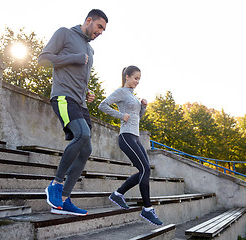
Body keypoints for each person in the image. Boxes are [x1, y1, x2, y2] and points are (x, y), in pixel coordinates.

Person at [38, 9, 108, 216]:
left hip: (80, 103)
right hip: (62, 97)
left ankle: (64, 200)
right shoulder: (64, 34)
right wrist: (74, 57)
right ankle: (55, 185)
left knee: (86, 150)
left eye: (103, 30)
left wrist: (87, 93)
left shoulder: (90, 50)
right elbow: (43, 59)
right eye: (99, 27)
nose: (101, 32)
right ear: (88, 20)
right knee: (82, 134)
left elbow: (78, 76)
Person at [98, 66, 163, 225]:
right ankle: (147, 209)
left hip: (135, 136)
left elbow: (136, 118)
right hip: (126, 136)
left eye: (139, 79)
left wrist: (144, 108)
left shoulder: (132, 95)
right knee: (145, 169)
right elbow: (103, 105)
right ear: (127, 77)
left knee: (144, 170)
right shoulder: (121, 92)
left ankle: (118, 194)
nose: (137, 82)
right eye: (135, 78)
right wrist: (121, 115)